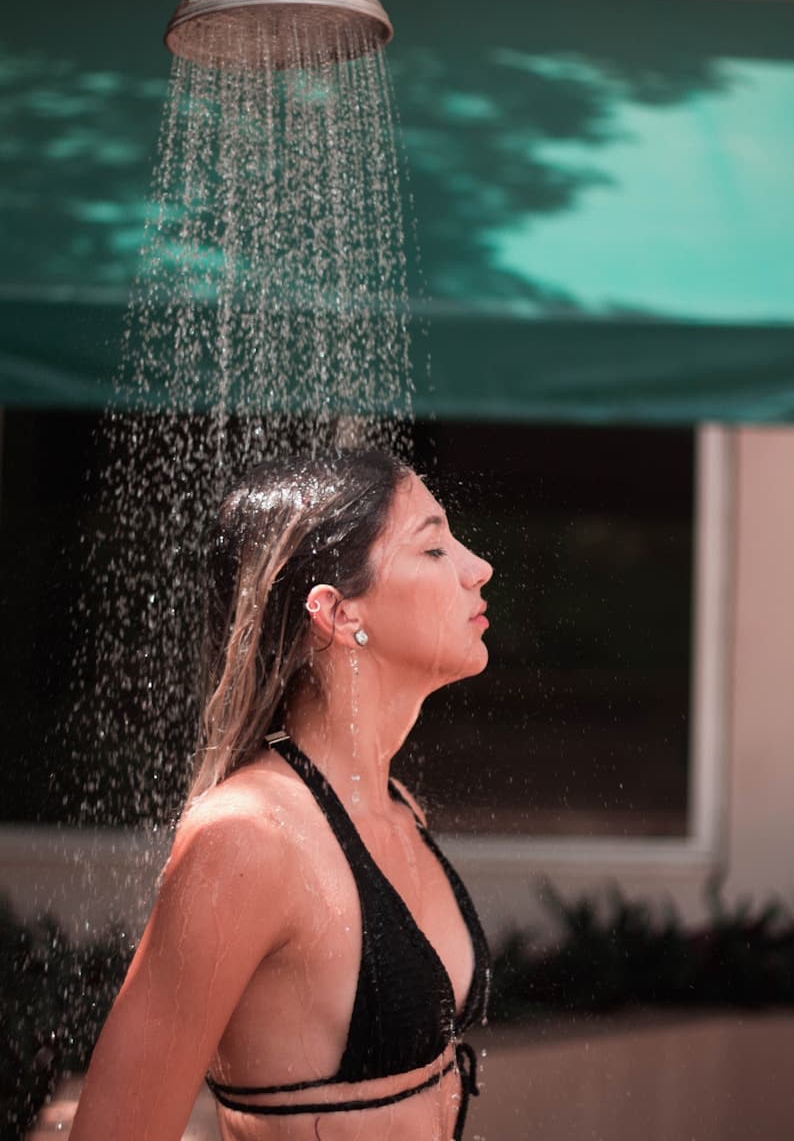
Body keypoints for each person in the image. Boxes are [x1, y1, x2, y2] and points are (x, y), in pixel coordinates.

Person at [70, 449, 493, 1141]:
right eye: (435, 547)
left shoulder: (395, 808)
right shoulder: (247, 839)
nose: (478, 568)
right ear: (334, 611)